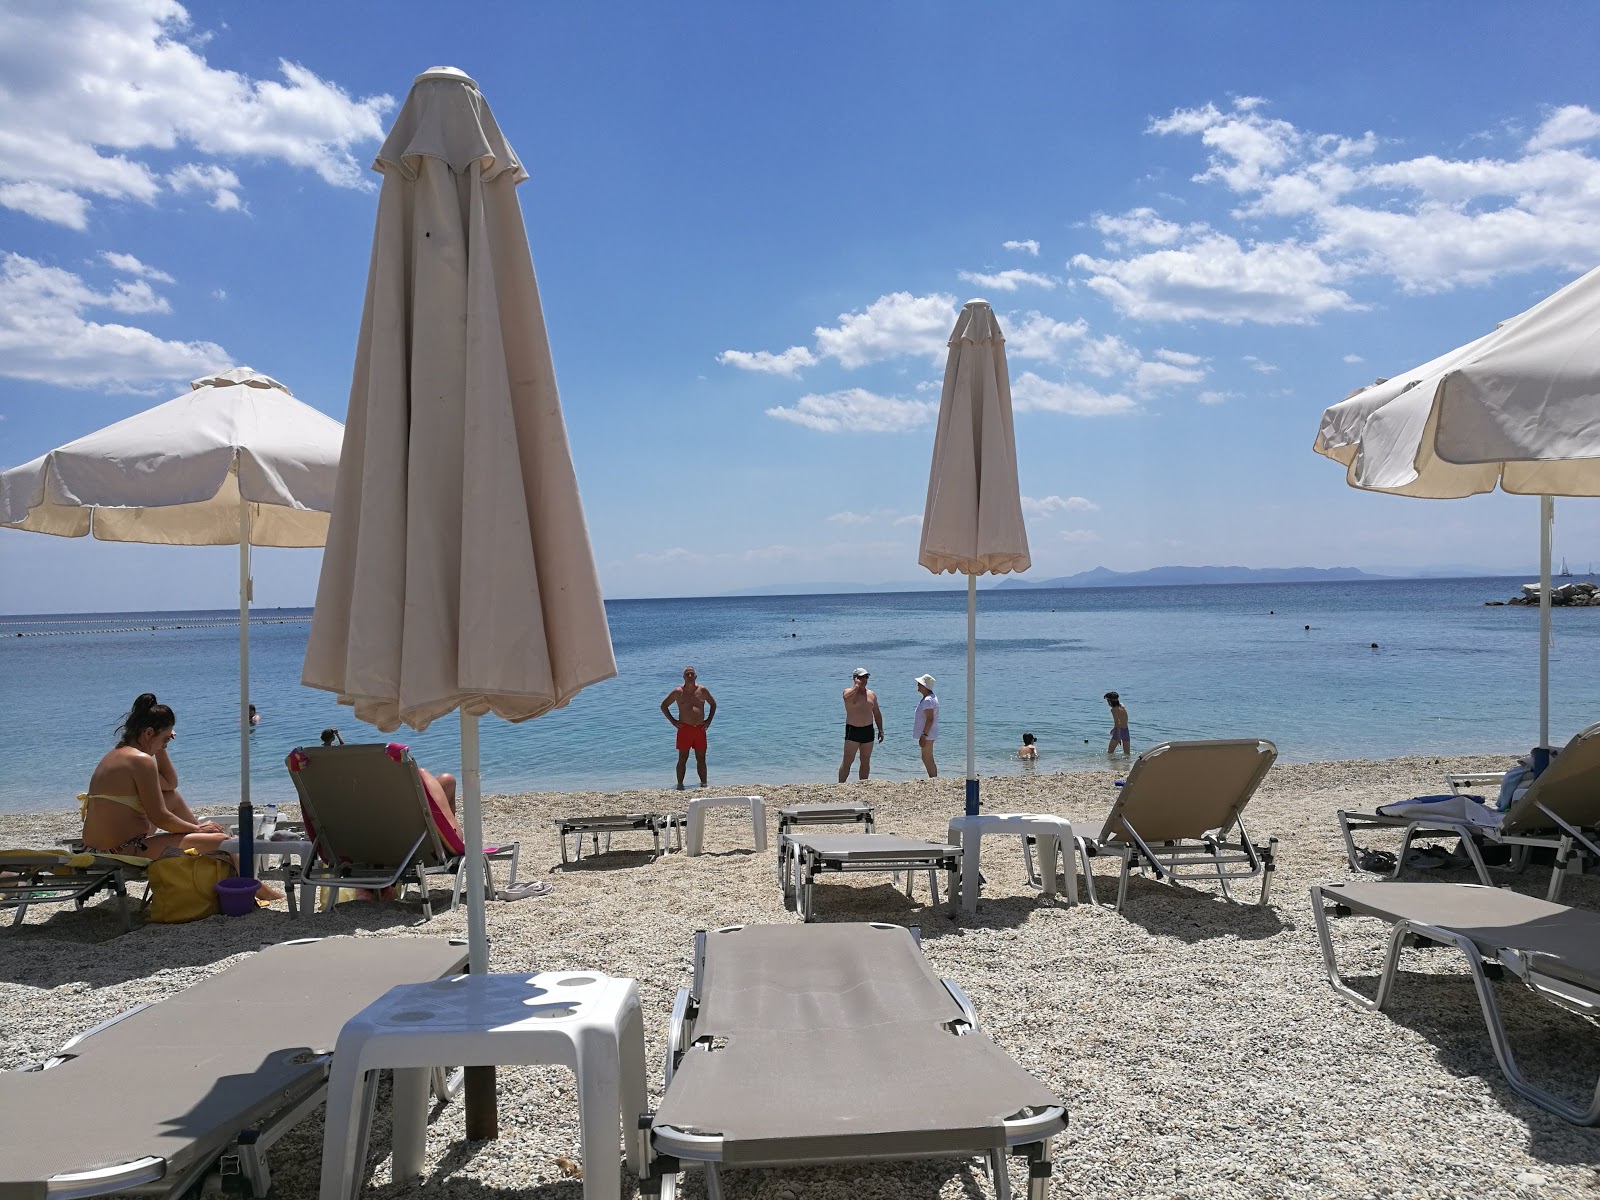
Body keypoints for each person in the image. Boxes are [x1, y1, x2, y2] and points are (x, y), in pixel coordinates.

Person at [80, 693, 284, 899]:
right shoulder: (141, 761)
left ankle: (206, 838)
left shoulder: (118, 754)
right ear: (149, 733)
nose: (167, 743)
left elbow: (169, 784)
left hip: (95, 849)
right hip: (121, 852)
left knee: (172, 797)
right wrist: (196, 828)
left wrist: (160, 749)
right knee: (223, 842)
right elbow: (160, 818)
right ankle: (257, 888)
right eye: (165, 739)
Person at [660, 666, 716, 790]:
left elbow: (713, 704)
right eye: (687, 674)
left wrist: (709, 721)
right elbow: (664, 706)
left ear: (695, 676)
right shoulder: (677, 692)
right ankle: (680, 785)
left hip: (700, 729)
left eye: (692, 674)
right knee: (682, 758)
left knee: (701, 758)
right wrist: (673, 721)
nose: (690, 676)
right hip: (684, 729)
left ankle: (704, 784)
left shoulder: (702, 690)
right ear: (683, 677)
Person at [839, 667, 885, 782]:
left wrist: (881, 730)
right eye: (861, 677)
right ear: (855, 678)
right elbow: (846, 698)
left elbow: (877, 713)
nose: (864, 679)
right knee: (848, 760)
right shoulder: (848, 692)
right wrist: (856, 686)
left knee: (865, 760)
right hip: (853, 730)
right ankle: (840, 784)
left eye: (866, 677)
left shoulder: (871, 694)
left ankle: (863, 784)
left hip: (868, 730)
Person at [913, 674, 939, 778]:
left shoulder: (928, 700)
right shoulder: (929, 698)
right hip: (928, 733)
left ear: (925, 687)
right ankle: (933, 778)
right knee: (926, 757)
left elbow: (930, 718)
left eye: (920, 684)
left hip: (928, 733)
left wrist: (924, 734)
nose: (917, 685)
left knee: (927, 757)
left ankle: (934, 778)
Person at [1104, 691, 1131, 757]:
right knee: (1127, 754)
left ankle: (1113, 766)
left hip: (1118, 731)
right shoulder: (1122, 706)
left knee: (1110, 752)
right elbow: (1123, 719)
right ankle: (1126, 766)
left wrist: (1118, 736)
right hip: (1126, 730)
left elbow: (1117, 722)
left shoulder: (1113, 710)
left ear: (1110, 702)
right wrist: (1114, 728)